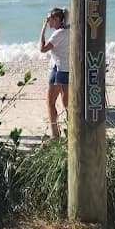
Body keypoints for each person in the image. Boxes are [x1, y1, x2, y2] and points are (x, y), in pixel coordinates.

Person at [39, 7, 69, 138]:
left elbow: (42, 49)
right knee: (67, 103)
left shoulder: (58, 34)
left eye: (49, 19)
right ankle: (71, 130)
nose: (47, 21)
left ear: (56, 19)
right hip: (68, 69)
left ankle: (55, 134)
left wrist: (43, 29)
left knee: (50, 102)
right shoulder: (69, 31)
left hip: (58, 70)